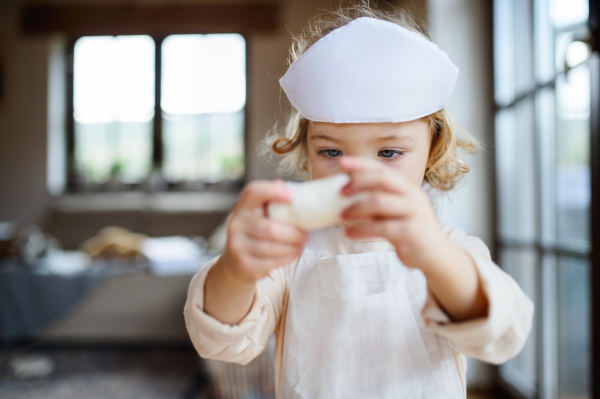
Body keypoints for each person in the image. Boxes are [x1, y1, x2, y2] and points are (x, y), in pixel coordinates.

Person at [184, 3, 533, 398]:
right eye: (331, 153)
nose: (356, 176)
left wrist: (434, 254)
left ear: (432, 149)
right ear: (306, 150)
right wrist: (236, 268)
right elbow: (220, 340)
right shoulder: (291, 253)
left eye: (388, 154)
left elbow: (504, 333)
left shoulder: (453, 249)